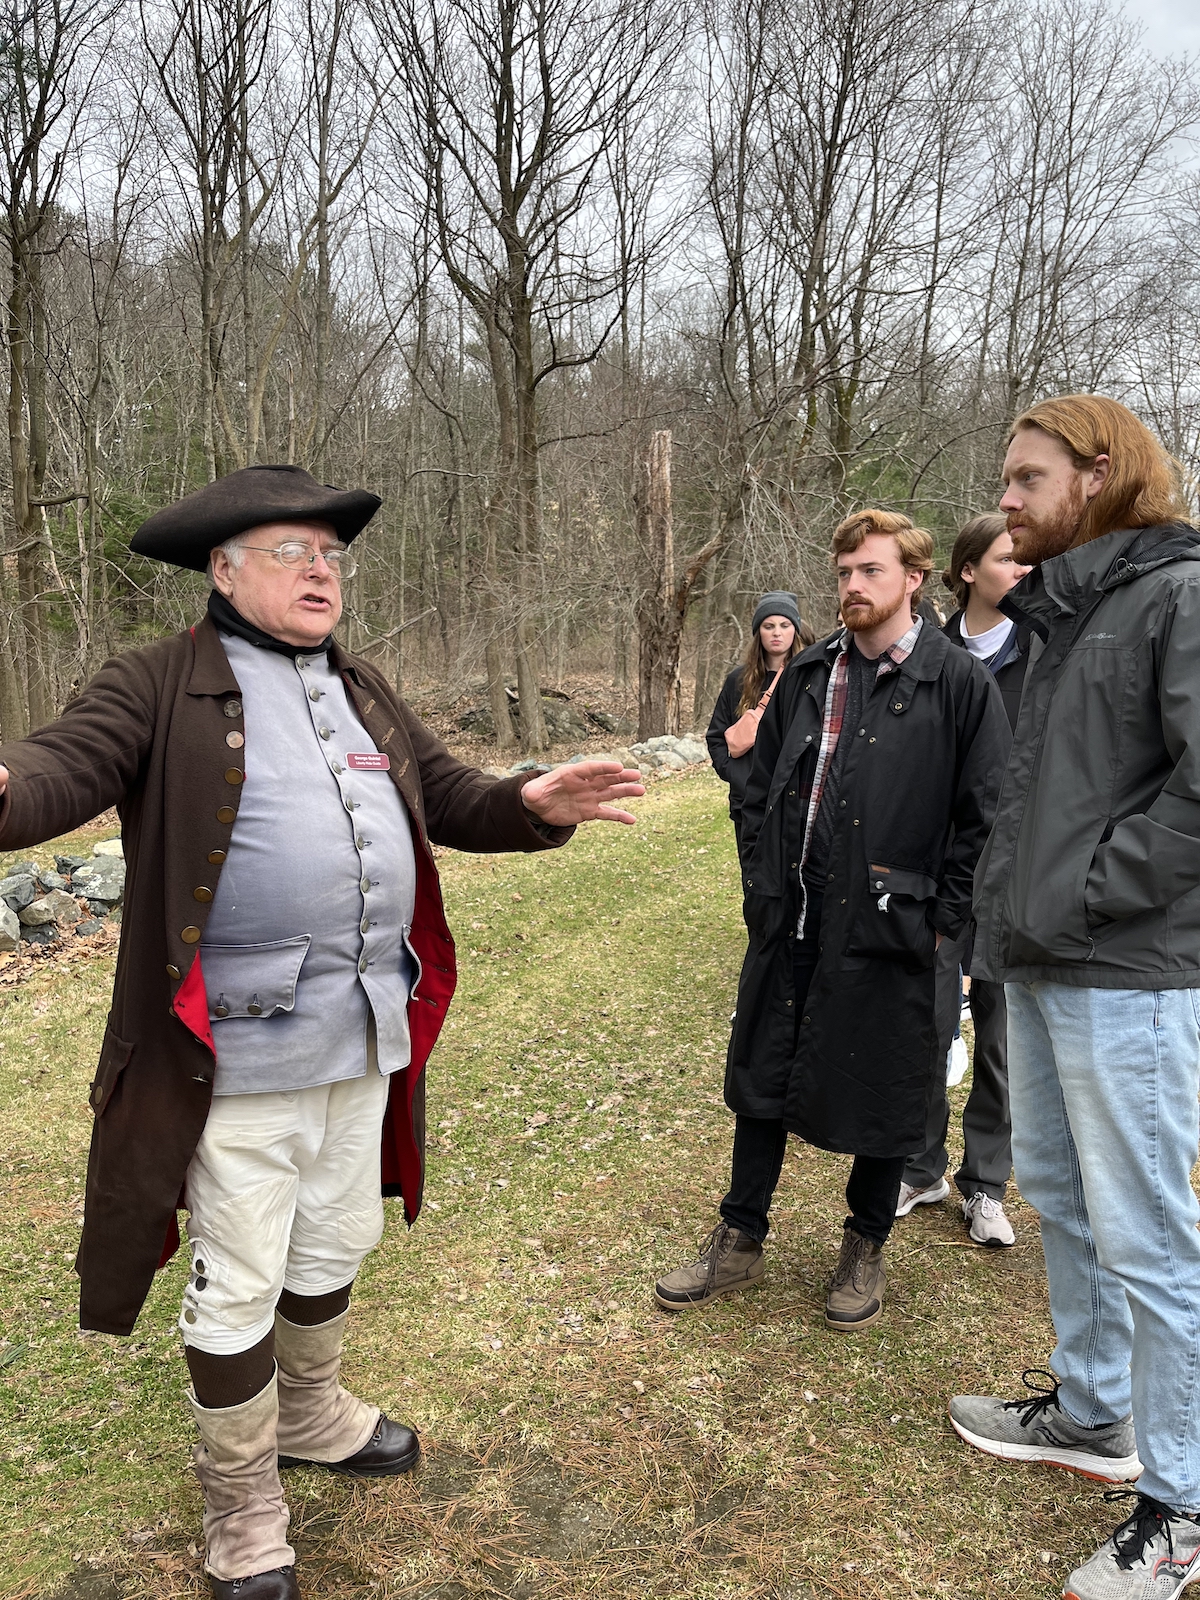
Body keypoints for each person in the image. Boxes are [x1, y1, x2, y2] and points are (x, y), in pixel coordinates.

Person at [0, 465, 644, 1600]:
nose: (321, 569)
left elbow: (446, 794)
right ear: (225, 569)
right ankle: (244, 1504)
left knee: (334, 1243)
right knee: (240, 1278)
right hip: (232, 1060)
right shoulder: (158, 681)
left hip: (364, 1039)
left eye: (331, 554)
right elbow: (60, 767)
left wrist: (530, 799)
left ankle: (310, 1410)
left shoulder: (364, 687)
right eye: (292, 550)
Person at [948, 396, 1200, 1600]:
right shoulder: (1066, 608)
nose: (1006, 499)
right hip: (1042, 960)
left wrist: (1097, 890)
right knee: (1061, 1195)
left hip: (1127, 971)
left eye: (1026, 477)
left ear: (1099, 476)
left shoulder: (1180, 594)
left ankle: (1187, 1501)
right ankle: (1096, 1414)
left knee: (1151, 1234)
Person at [655, 509, 1008, 1331]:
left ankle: (865, 1243)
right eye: (844, 571)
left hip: (896, 926)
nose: (851, 585)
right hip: (795, 918)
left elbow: (985, 815)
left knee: (887, 1082)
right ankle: (739, 1237)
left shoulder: (958, 684)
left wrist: (941, 921)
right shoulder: (811, 673)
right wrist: (762, 882)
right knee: (763, 1075)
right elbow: (759, 779)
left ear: (914, 579)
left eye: (871, 571)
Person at [895, 513, 1032, 1246]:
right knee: (928, 1020)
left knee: (1000, 1037)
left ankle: (986, 1186)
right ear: (969, 570)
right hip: (940, 876)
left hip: (1014, 878)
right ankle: (921, 1168)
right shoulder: (927, 654)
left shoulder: (1046, 653)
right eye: (1011, 559)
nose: (1025, 571)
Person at [706, 592, 812, 854]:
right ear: (758, 632)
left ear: (795, 630)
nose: (777, 633)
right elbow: (716, 737)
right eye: (769, 626)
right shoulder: (739, 680)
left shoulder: (810, 678)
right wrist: (739, 776)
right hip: (749, 805)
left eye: (785, 625)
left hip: (794, 804)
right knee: (754, 885)